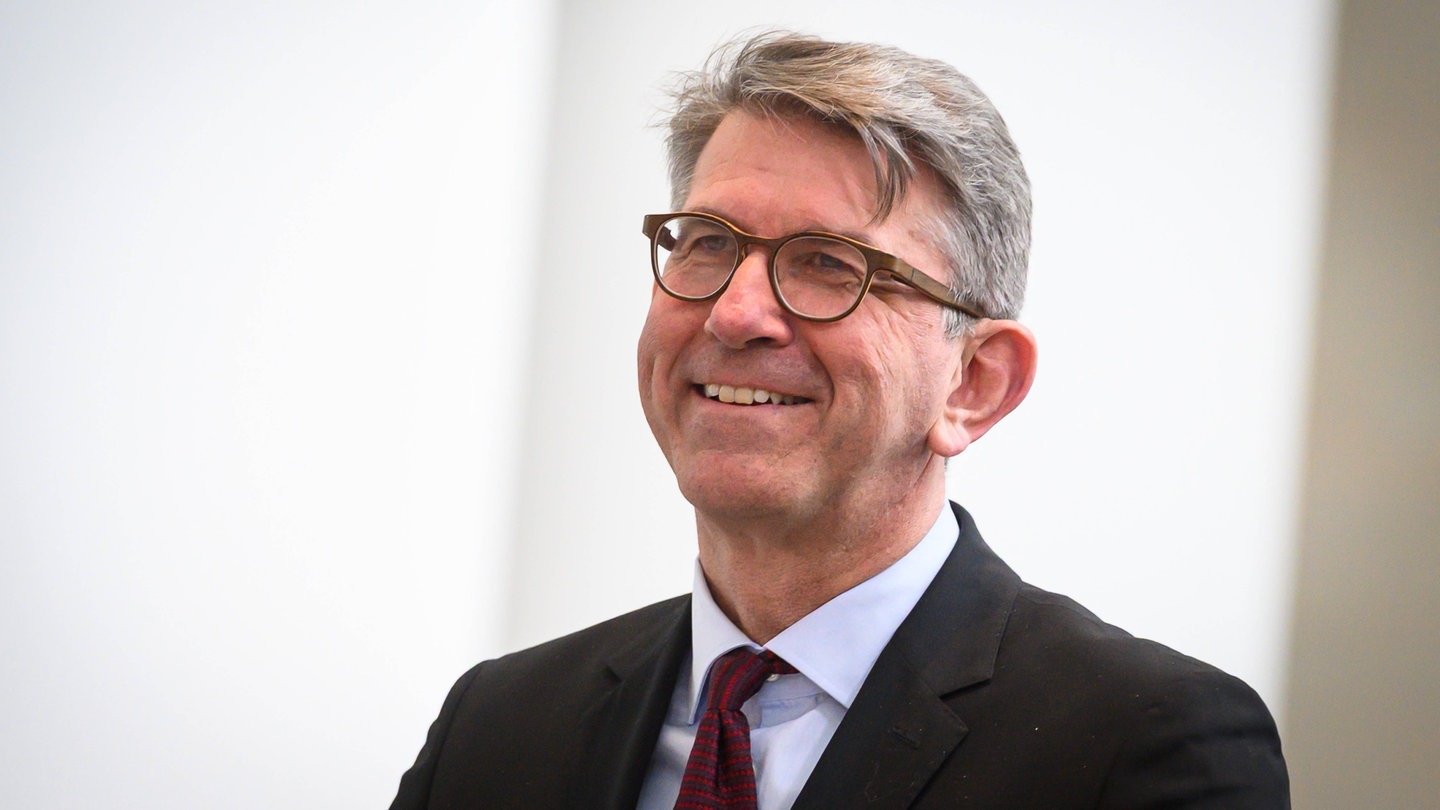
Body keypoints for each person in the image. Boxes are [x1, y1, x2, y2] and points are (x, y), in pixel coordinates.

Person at [389, 31, 1290, 809]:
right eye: (707, 243)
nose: (735, 314)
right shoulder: (497, 725)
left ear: (975, 383)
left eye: (827, 263)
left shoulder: (1141, 745)